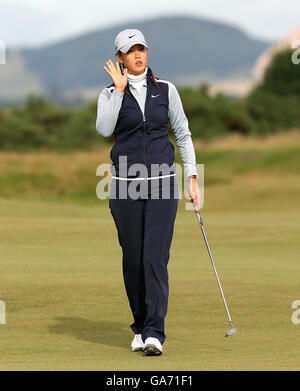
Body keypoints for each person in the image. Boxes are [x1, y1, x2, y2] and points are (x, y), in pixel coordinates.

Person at [96, 29, 201, 356]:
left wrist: (193, 177)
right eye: (130, 51)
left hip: (163, 182)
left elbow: (182, 134)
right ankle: (140, 325)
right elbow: (104, 128)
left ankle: (155, 332)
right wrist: (119, 91)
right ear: (120, 59)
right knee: (134, 261)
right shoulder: (108, 93)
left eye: (141, 48)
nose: (138, 55)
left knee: (155, 258)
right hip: (125, 187)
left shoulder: (166, 91)